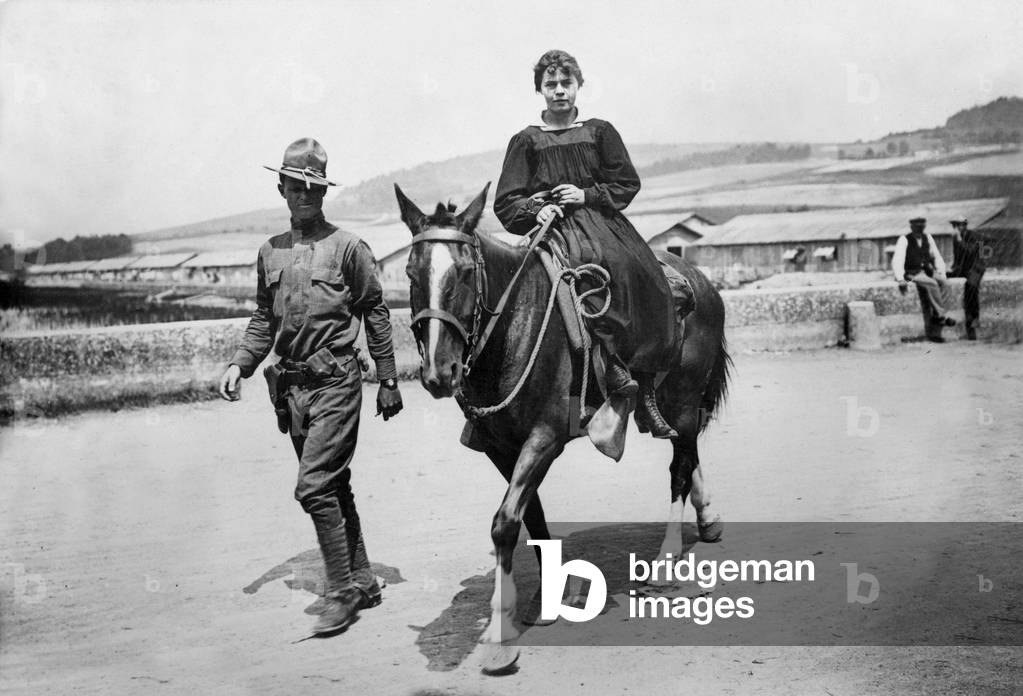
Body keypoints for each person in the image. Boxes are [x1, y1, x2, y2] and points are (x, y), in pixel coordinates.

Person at [218, 138, 403, 635]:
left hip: (337, 380)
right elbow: (263, 316)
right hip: (292, 390)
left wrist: (387, 377)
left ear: (324, 192)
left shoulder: (348, 248)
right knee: (334, 484)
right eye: (296, 185)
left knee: (313, 485)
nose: (305, 195)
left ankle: (340, 590)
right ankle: (363, 579)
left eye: (314, 187)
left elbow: (375, 310)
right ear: (281, 187)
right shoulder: (269, 252)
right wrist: (242, 363)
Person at [494, 49, 679, 439]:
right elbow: (506, 202)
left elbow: (626, 183)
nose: (559, 91)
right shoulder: (525, 140)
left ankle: (643, 386)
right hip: (553, 229)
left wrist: (586, 195)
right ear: (539, 90)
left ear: (579, 85)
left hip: (602, 223)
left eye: (566, 83)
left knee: (643, 277)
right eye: (551, 85)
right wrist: (535, 209)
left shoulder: (600, 131)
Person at [891, 215, 956, 343]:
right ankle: (941, 316)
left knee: (945, 283)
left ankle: (939, 314)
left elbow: (936, 256)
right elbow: (897, 260)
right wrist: (900, 278)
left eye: (922, 226)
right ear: (912, 226)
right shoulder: (904, 240)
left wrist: (941, 273)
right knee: (931, 283)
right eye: (917, 226)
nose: (920, 229)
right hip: (912, 273)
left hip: (927, 271)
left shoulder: (928, 238)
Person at [948, 214, 985, 340]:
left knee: (971, 290)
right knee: (941, 276)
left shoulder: (974, 236)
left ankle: (973, 325)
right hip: (964, 269)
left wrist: (959, 240)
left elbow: (970, 252)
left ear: (964, 225)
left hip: (976, 268)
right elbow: (957, 257)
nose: (956, 228)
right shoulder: (956, 238)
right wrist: (952, 269)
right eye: (955, 226)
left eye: (958, 225)